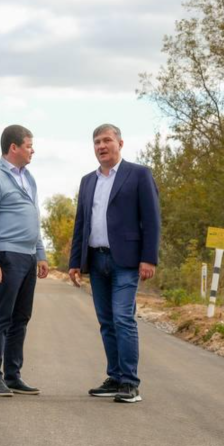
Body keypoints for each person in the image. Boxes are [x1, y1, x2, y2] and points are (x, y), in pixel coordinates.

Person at [68, 124, 161, 404]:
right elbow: (81, 223)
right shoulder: (88, 181)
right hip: (96, 260)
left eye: (107, 140)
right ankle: (115, 377)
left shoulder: (139, 174)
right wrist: (75, 262)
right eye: (97, 142)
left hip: (126, 261)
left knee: (122, 318)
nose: (101, 146)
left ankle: (130, 383)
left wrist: (149, 258)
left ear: (120, 143)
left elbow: (152, 219)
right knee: (106, 321)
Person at [0, 125, 49, 397]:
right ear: (14, 147)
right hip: (7, 256)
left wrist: (40, 253)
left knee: (21, 317)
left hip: (28, 257)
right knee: (2, 317)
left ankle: (13, 375)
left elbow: (34, 218)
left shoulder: (29, 178)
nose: (33, 150)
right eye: (29, 145)